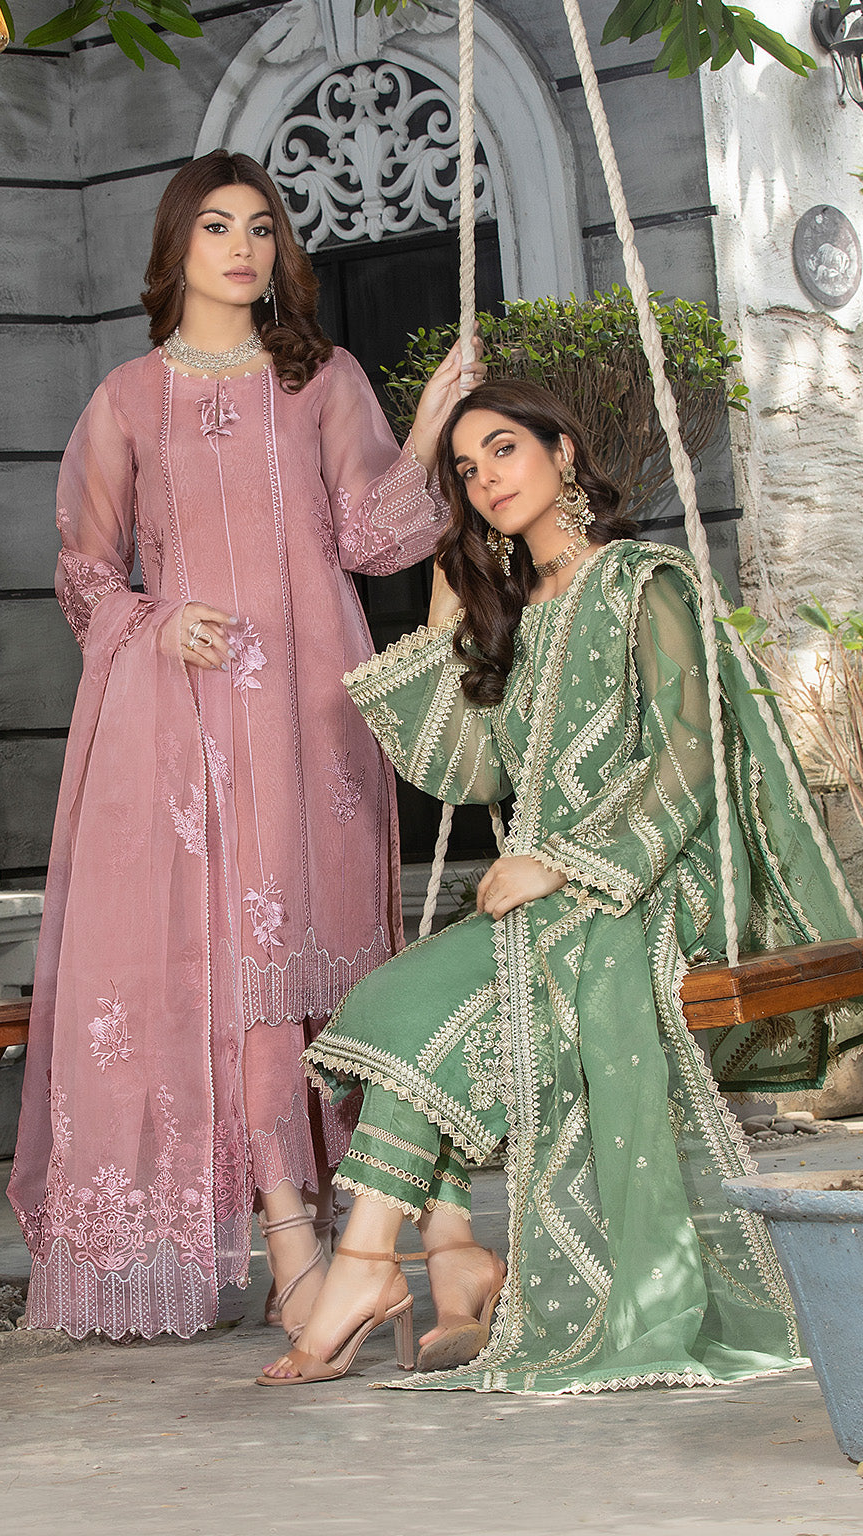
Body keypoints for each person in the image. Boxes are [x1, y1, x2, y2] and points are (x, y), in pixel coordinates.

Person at [259, 378, 863, 1389]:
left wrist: (568, 863)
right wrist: (449, 603)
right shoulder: (515, 612)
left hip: (650, 880)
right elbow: (469, 773)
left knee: (430, 1014)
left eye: (504, 449)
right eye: (466, 469)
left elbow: (688, 756)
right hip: (542, 893)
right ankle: (416, 1262)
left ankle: (372, 1270)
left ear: (563, 452)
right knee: (394, 1006)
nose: (486, 478)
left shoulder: (643, 580)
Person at [6, 149, 483, 1342]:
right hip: (193, 728)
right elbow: (83, 574)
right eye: (216, 226)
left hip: (317, 716)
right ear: (175, 247)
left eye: (262, 228)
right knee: (243, 973)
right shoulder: (125, 400)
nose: (241, 249)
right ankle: (292, 1249)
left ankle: (381, 1230)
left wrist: (430, 425)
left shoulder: (322, 379)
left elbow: (375, 541)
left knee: (338, 970)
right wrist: (156, 624)